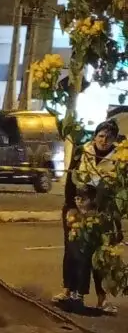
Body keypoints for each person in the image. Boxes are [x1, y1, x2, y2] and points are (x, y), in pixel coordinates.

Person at [60, 119, 120, 313]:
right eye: (101, 136)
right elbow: (71, 181)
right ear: (94, 136)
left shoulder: (119, 159)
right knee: (73, 251)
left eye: (109, 137)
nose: (104, 140)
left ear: (114, 139)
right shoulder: (82, 152)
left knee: (99, 256)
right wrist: (71, 207)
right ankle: (68, 291)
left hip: (102, 213)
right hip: (76, 209)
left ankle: (102, 298)